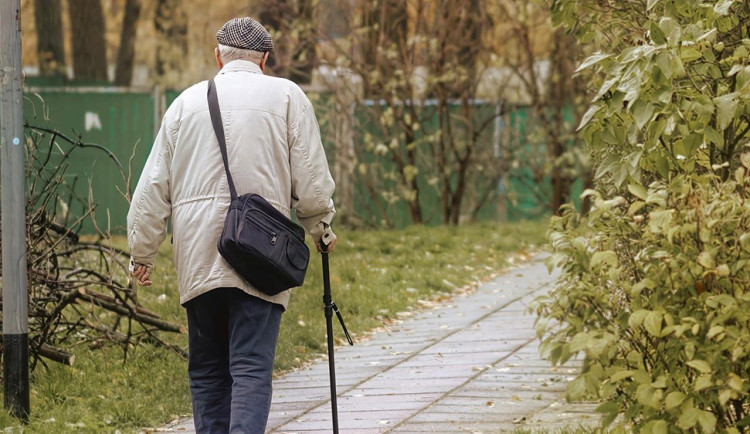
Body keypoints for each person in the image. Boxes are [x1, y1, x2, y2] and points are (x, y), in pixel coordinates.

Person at [127, 17, 337, 434]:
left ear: (217, 55)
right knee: (251, 368)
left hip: (199, 255)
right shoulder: (288, 97)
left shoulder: (184, 104)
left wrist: (141, 253)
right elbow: (311, 180)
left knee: (206, 371)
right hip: (261, 251)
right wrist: (321, 229)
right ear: (264, 58)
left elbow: (153, 185)